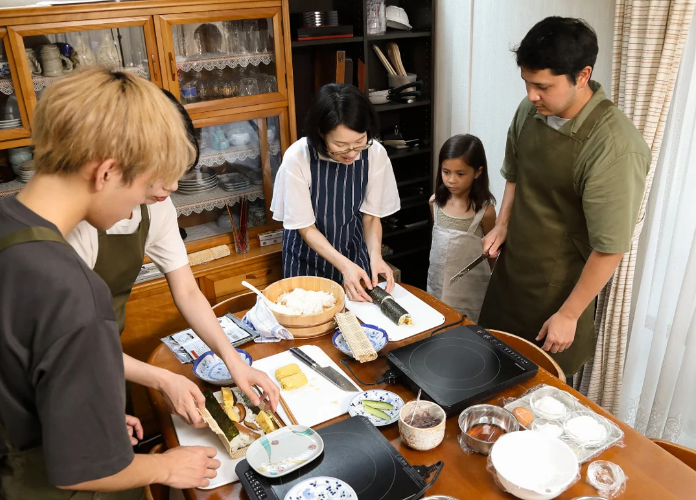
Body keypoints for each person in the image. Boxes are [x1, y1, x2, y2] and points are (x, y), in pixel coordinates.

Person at [0, 68, 220, 499]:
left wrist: (87, 409)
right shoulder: (72, 290)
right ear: (107, 172)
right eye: (141, 190)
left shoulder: (6, 223)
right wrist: (165, 465)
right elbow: (80, 471)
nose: (141, 206)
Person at [66, 90, 279, 427]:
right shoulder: (73, 223)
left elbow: (188, 291)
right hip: (66, 361)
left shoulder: (157, 204)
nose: (172, 186)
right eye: (162, 173)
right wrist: (163, 379)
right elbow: (69, 344)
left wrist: (234, 362)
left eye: (178, 172)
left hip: (105, 348)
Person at [478, 17, 650, 377]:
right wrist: (504, 223)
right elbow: (515, 172)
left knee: (539, 399)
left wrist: (570, 314)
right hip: (511, 276)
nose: (530, 95)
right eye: (526, 83)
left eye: (542, 86)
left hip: (557, 294)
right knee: (487, 372)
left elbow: (611, 246)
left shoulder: (615, 147)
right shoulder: (531, 111)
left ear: (583, 75)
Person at [271, 84, 400, 302]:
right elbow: (306, 228)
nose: (351, 153)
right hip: (306, 262)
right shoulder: (298, 158)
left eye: (359, 142)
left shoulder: (375, 154)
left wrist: (375, 256)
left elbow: (370, 218)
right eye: (340, 145)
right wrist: (343, 266)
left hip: (353, 253)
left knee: (358, 326)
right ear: (321, 133)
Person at [427, 135, 496, 321]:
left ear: (478, 172)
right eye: (446, 172)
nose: (451, 180)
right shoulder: (435, 203)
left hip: (470, 293)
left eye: (460, 174)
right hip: (437, 286)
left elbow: (491, 256)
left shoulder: (485, 211)